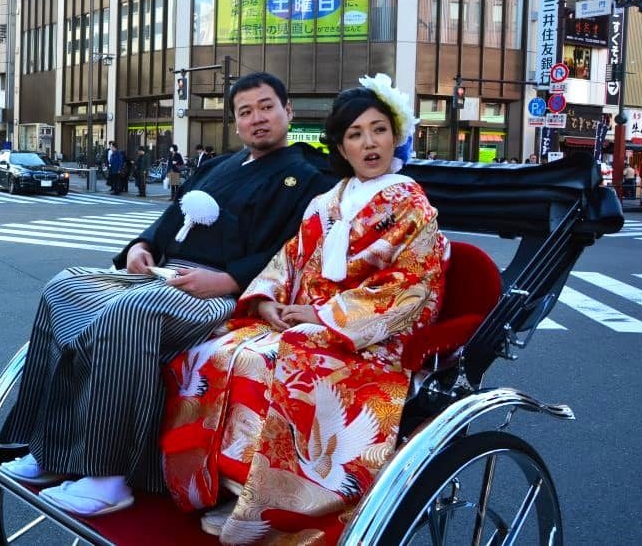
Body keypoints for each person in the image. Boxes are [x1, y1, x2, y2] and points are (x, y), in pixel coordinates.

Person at [0, 72, 336, 517]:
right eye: (246, 111)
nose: (258, 119)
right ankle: (50, 447)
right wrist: (142, 247)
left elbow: (292, 249)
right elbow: (170, 219)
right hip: (164, 274)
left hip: (218, 290)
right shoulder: (219, 166)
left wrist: (230, 280)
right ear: (235, 122)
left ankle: (107, 474)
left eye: (267, 107)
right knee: (65, 288)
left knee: (130, 311)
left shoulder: (309, 176)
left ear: (288, 111)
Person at [161, 75, 449, 544]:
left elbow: (410, 287)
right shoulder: (325, 202)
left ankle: (276, 507)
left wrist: (323, 316)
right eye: (354, 135)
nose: (369, 143)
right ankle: (220, 483)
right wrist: (269, 299)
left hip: (369, 340)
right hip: (305, 318)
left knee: (277, 359)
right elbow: (290, 259)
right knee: (214, 350)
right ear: (342, 146)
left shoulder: (413, 206)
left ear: (396, 136)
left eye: (378, 130)